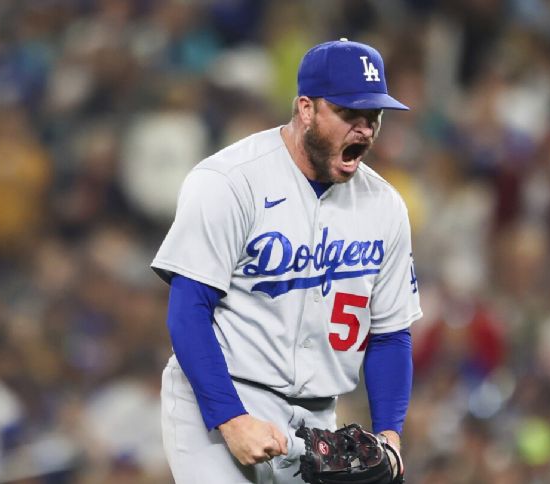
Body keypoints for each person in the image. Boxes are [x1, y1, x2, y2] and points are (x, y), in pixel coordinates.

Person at [151, 38, 422, 483]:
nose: (365, 129)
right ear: (306, 109)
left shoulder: (385, 207)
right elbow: (187, 311)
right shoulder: (230, 181)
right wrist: (230, 419)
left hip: (320, 423)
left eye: (373, 117)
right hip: (221, 397)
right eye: (349, 114)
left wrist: (390, 437)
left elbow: (391, 334)